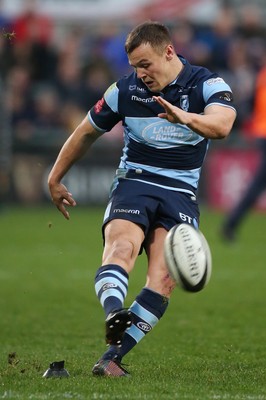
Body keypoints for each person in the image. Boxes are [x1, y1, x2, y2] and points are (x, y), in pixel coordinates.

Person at [48, 21, 236, 377]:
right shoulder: (125, 91)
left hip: (180, 193)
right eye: (134, 65)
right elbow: (85, 132)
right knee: (121, 249)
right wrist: (54, 177)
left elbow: (223, 125)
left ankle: (111, 358)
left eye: (145, 64)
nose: (140, 73)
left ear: (168, 51)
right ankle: (114, 313)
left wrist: (187, 117)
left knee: (163, 280)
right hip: (135, 181)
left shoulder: (207, 84)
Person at [221, 50, 266, 241]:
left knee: (260, 183)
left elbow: (250, 104)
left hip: (265, 133)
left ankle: (231, 223)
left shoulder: (265, 74)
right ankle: (230, 224)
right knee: (260, 183)